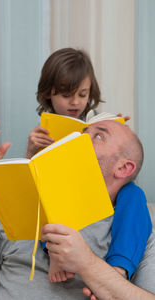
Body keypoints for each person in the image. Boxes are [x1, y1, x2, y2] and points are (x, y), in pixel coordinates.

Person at [0, 119, 154, 300]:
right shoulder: (19, 209)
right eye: (83, 132)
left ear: (123, 168)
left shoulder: (136, 232)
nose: (80, 138)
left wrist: (87, 264)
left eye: (99, 136)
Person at [26, 47, 151, 282]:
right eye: (66, 95)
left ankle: (119, 267)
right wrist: (32, 151)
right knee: (48, 195)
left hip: (101, 192)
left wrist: (117, 131)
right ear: (48, 94)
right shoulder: (45, 130)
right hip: (66, 192)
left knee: (134, 194)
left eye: (82, 95)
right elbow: (32, 180)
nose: (75, 102)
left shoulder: (96, 120)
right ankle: (55, 254)